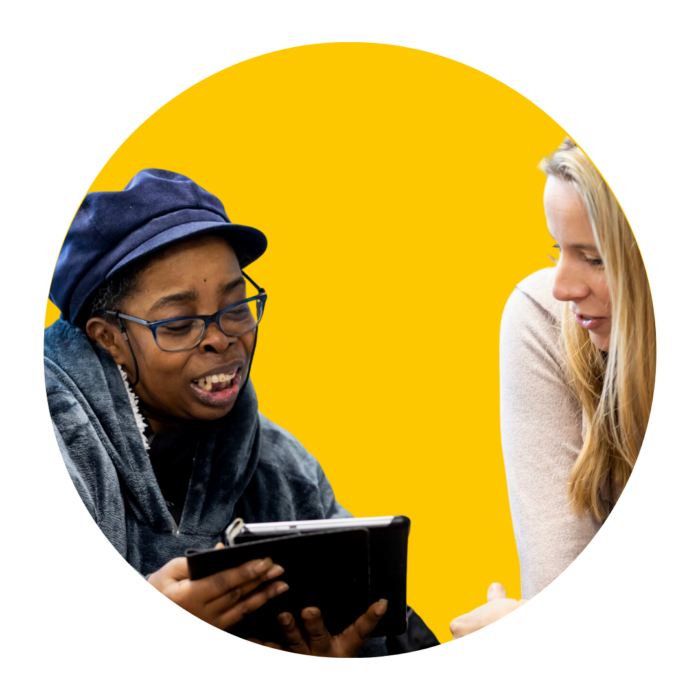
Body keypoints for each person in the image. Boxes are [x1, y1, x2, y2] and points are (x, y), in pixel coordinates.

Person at [43, 168, 438, 658]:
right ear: (109, 340)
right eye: (181, 321)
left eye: (235, 306)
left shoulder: (282, 468)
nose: (221, 337)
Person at [450, 137, 668, 643]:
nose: (564, 286)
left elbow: (561, 627)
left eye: (594, 259)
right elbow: (560, 593)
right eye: (558, 250)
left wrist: (533, 631)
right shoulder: (544, 321)